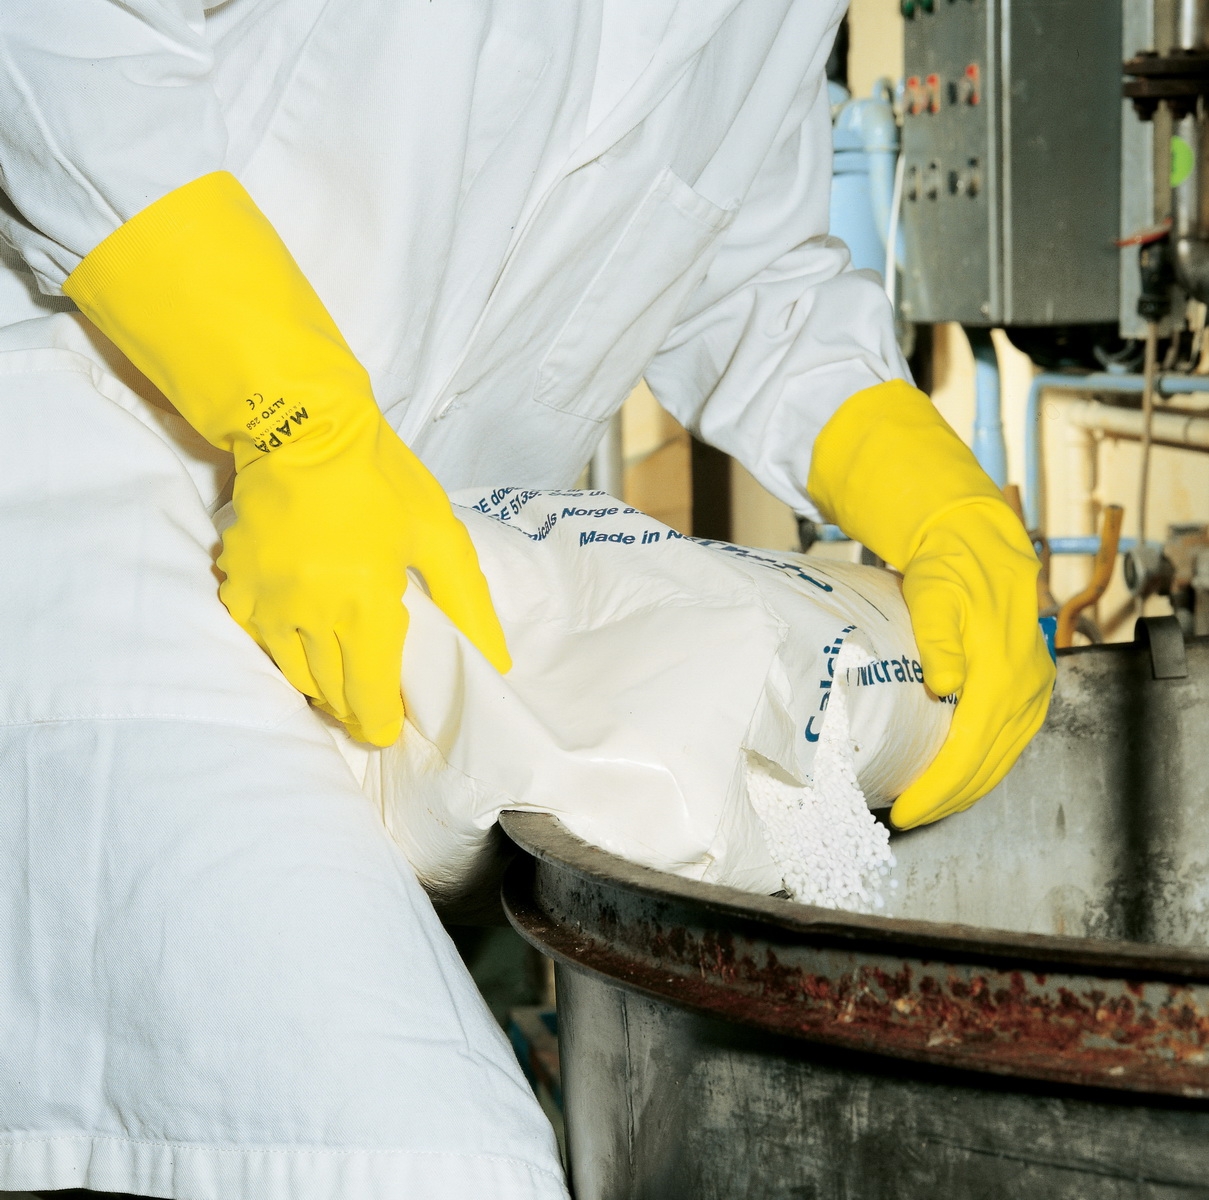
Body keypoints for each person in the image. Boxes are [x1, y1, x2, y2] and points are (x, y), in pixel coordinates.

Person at [0, 1, 1054, 1197]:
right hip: (117, 524)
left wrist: (939, 500)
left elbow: (743, 270)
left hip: (406, 606)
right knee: (428, 1157)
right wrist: (288, 411)